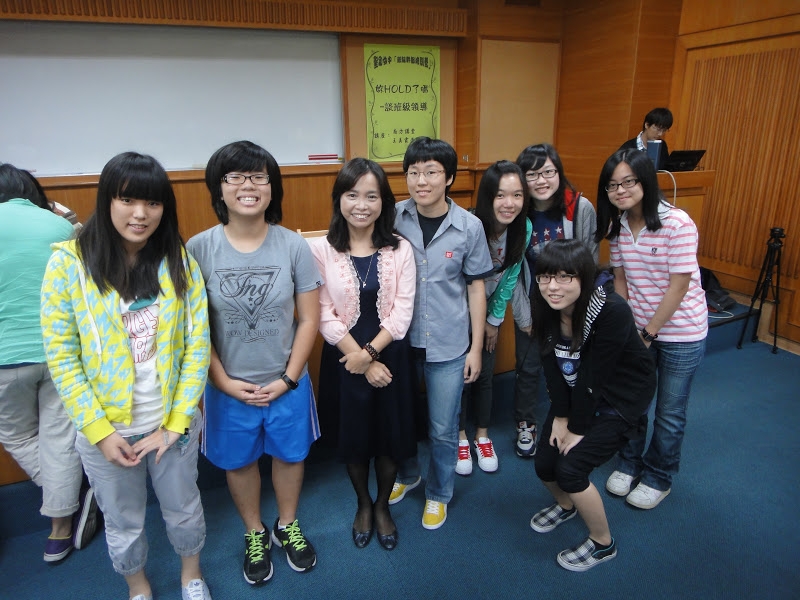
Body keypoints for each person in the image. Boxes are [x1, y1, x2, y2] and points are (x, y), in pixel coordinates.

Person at [40, 152, 212, 600]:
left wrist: (177, 423)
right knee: (123, 520)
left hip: (170, 425)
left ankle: (191, 576)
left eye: (152, 203)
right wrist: (98, 431)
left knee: (184, 508)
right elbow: (62, 357)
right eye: (128, 200)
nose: (141, 214)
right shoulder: (68, 265)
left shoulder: (179, 261)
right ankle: (138, 587)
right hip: (107, 430)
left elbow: (197, 347)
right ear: (107, 201)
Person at [186, 141, 322, 584]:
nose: (248, 185)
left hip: (287, 382)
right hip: (227, 387)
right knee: (239, 462)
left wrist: (289, 378)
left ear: (272, 187)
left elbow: (309, 320)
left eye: (259, 176)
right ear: (218, 188)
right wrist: (223, 382)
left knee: (290, 455)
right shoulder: (199, 249)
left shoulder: (293, 246)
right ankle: (255, 531)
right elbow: (194, 329)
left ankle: (287, 524)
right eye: (235, 177)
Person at [529, 239, 656, 572]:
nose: (552, 286)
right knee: (545, 464)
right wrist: (560, 415)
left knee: (570, 469)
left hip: (619, 395)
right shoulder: (544, 302)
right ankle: (566, 506)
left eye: (564, 277)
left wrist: (578, 427)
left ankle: (603, 543)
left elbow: (594, 376)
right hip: (577, 391)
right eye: (545, 277)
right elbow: (550, 361)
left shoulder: (611, 310)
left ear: (583, 278)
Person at [310, 158, 417, 550]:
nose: (361, 205)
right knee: (354, 438)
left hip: (390, 354)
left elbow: (402, 311)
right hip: (344, 359)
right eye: (352, 195)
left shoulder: (400, 248)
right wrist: (359, 359)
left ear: (383, 201)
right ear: (339, 198)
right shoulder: (321, 249)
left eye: (371, 196)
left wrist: (370, 354)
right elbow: (322, 312)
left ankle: (383, 506)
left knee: (390, 437)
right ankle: (363, 504)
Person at [389, 137, 493, 530]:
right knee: (400, 418)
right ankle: (407, 474)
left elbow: (476, 288)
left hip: (449, 342)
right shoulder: (393, 217)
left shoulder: (469, 226)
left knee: (443, 427)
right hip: (399, 340)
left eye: (431, 172)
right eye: (414, 172)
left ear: (448, 177)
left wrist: (476, 348)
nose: (421, 181)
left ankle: (438, 493)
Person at [595, 148, 707, 510]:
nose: (620, 190)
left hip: (681, 333)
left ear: (645, 180)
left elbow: (679, 286)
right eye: (612, 185)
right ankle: (628, 463)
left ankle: (659, 476)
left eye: (628, 182)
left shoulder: (678, 223)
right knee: (632, 402)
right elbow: (621, 281)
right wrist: (630, 329)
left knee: (670, 412)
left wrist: (649, 333)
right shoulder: (618, 227)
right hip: (639, 330)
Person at [0, 163, 97, 564]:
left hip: (3, 358)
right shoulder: (57, 225)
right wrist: (59, 212)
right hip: (59, 351)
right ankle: (60, 527)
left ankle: (69, 510)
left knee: (16, 436)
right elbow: (89, 249)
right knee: (59, 439)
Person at [512, 144, 598, 459]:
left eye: (548, 172)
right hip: (534, 300)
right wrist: (523, 315)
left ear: (559, 173)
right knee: (528, 366)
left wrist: (580, 310)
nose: (541, 181)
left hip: (573, 302)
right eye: (532, 174)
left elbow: (590, 261)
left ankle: (578, 422)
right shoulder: (516, 212)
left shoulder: (580, 207)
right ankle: (526, 423)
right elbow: (513, 271)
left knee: (577, 363)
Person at [456, 160, 531, 476]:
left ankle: (482, 436)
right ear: (488, 196)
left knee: (485, 373)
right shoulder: (470, 225)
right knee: (461, 377)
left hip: (488, 311)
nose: (509, 203)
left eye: (517, 195)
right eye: (501, 195)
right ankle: (460, 437)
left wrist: (493, 321)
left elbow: (510, 277)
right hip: (458, 312)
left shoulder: (523, 228)